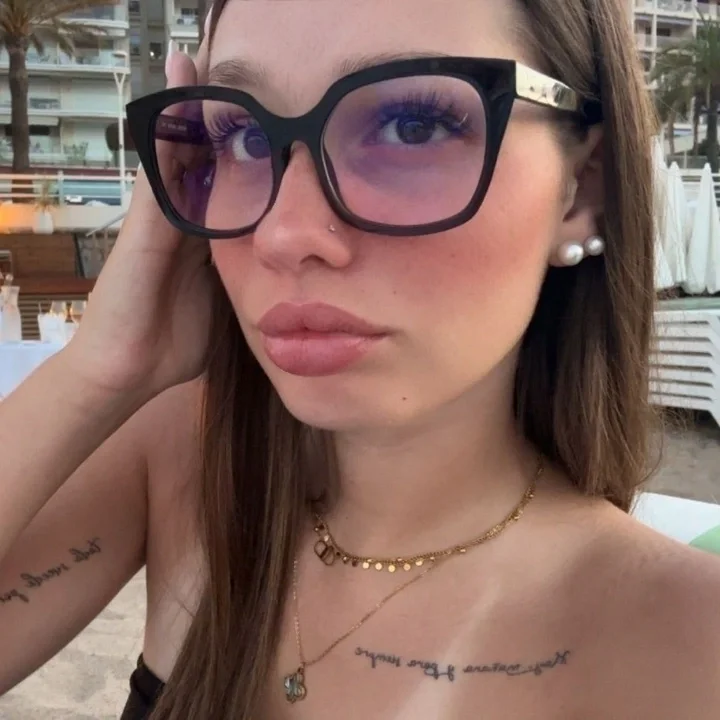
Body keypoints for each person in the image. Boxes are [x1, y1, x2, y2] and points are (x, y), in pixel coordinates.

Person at [1, 0, 720, 718]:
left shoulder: (688, 646)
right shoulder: (188, 466)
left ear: (583, 186)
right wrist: (98, 369)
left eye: (412, 125)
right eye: (243, 135)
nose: (284, 234)